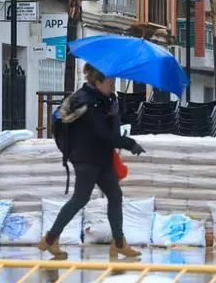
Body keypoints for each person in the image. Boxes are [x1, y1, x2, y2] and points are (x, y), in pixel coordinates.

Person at [39, 63, 145, 259]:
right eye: (110, 81)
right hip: (86, 159)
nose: (113, 84)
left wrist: (115, 110)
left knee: (115, 195)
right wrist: (130, 143)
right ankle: (51, 238)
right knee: (80, 198)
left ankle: (119, 243)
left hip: (101, 158)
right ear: (97, 81)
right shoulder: (85, 102)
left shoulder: (105, 100)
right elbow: (103, 135)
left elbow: (110, 132)